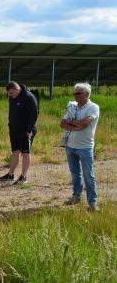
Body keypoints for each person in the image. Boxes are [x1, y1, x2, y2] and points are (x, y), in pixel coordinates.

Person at [60, 83, 100, 211]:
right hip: (70, 146)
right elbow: (62, 123)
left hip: (85, 147)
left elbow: (85, 124)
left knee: (88, 175)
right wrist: (75, 126)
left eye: (78, 93)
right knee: (75, 173)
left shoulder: (93, 107)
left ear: (87, 94)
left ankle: (93, 203)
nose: (75, 96)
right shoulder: (72, 107)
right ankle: (76, 196)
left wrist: (70, 123)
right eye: (74, 93)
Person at [0, 81, 38, 185]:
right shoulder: (12, 97)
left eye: (11, 93)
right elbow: (11, 112)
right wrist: (10, 126)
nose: (10, 95)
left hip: (26, 131)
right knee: (15, 152)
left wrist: (29, 130)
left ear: (17, 89)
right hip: (14, 130)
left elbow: (34, 114)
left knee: (25, 152)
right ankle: (10, 174)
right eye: (9, 94)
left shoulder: (29, 97)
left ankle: (23, 176)